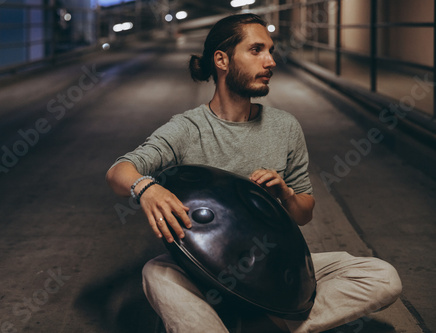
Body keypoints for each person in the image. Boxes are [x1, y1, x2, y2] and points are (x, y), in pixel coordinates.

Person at [106, 13, 402, 333]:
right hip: (206, 270)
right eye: (256, 50)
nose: (270, 61)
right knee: (157, 273)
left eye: (270, 50)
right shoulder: (186, 128)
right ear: (222, 59)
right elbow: (119, 171)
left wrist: (286, 195)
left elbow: (304, 213)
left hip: (272, 266)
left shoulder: (285, 126)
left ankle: (261, 323)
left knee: (382, 277)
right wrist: (147, 188)